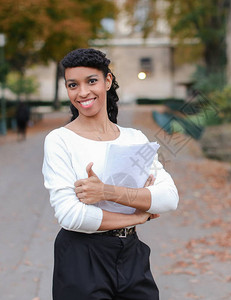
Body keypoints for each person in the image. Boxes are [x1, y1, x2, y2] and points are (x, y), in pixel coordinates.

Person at [42, 48, 179, 300]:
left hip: (131, 255)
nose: (82, 92)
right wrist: (139, 214)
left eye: (91, 81)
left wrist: (106, 192)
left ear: (107, 81)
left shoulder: (134, 138)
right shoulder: (60, 141)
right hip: (81, 258)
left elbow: (168, 198)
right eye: (73, 85)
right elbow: (71, 216)